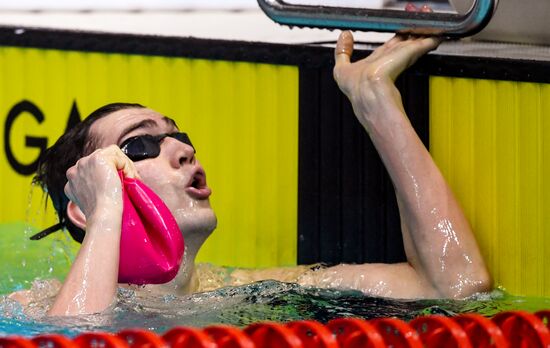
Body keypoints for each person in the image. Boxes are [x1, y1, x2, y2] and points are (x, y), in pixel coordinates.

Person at [11, 31, 492, 316]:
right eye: (140, 145)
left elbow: (455, 288)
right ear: (84, 206)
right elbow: (76, 340)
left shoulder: (238, 289)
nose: (181, 148)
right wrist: (107, 209)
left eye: (179, 135)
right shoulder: (34, 305)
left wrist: (376, 105)